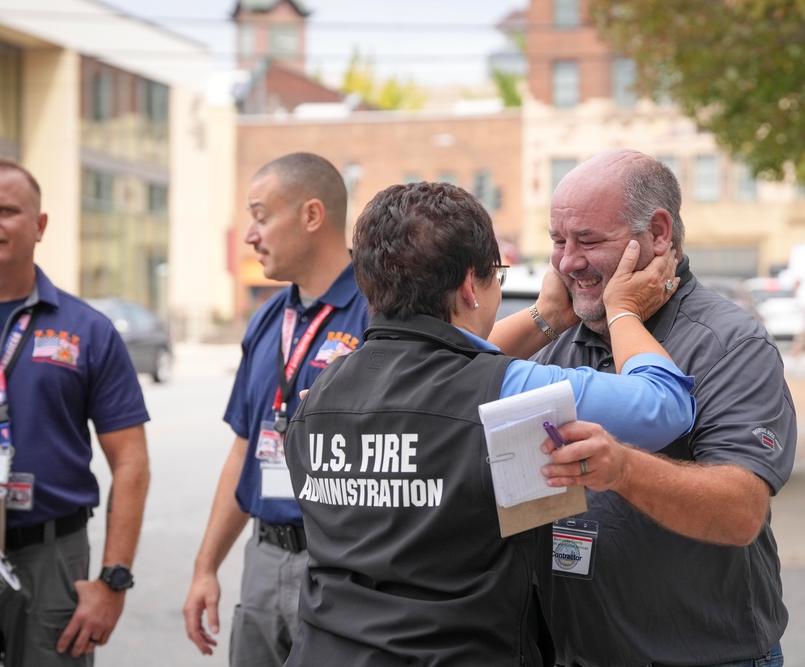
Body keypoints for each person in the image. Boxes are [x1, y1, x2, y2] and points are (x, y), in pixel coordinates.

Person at [283, 181, 696, 666]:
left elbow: (441, 364)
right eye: (495, 277)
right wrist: (623, 311)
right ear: (467, 286)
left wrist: (546, 317)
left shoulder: (320, 395)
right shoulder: (504, 393)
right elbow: (664, 405)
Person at [533, 149, 795, 667]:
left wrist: (622, 467)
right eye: (558, 242)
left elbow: (740, 511)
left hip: (708, 656)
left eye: (587, 240)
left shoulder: (728, 342)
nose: (568, 262)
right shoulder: (555, 342)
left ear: (657, 233)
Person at [0, 158, 151, 664]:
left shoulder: (89, 331)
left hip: (54, 558)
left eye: (6, 210)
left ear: (40, 226)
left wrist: (113, 580)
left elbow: (130, 462)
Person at [182, 153, 369, 666]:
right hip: (264, 558)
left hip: (342, 564)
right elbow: (244, 449)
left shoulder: (377, 310)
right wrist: (206, 568)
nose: (249, 234)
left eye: (261, 216)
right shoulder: (267, 321)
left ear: (312, 216)